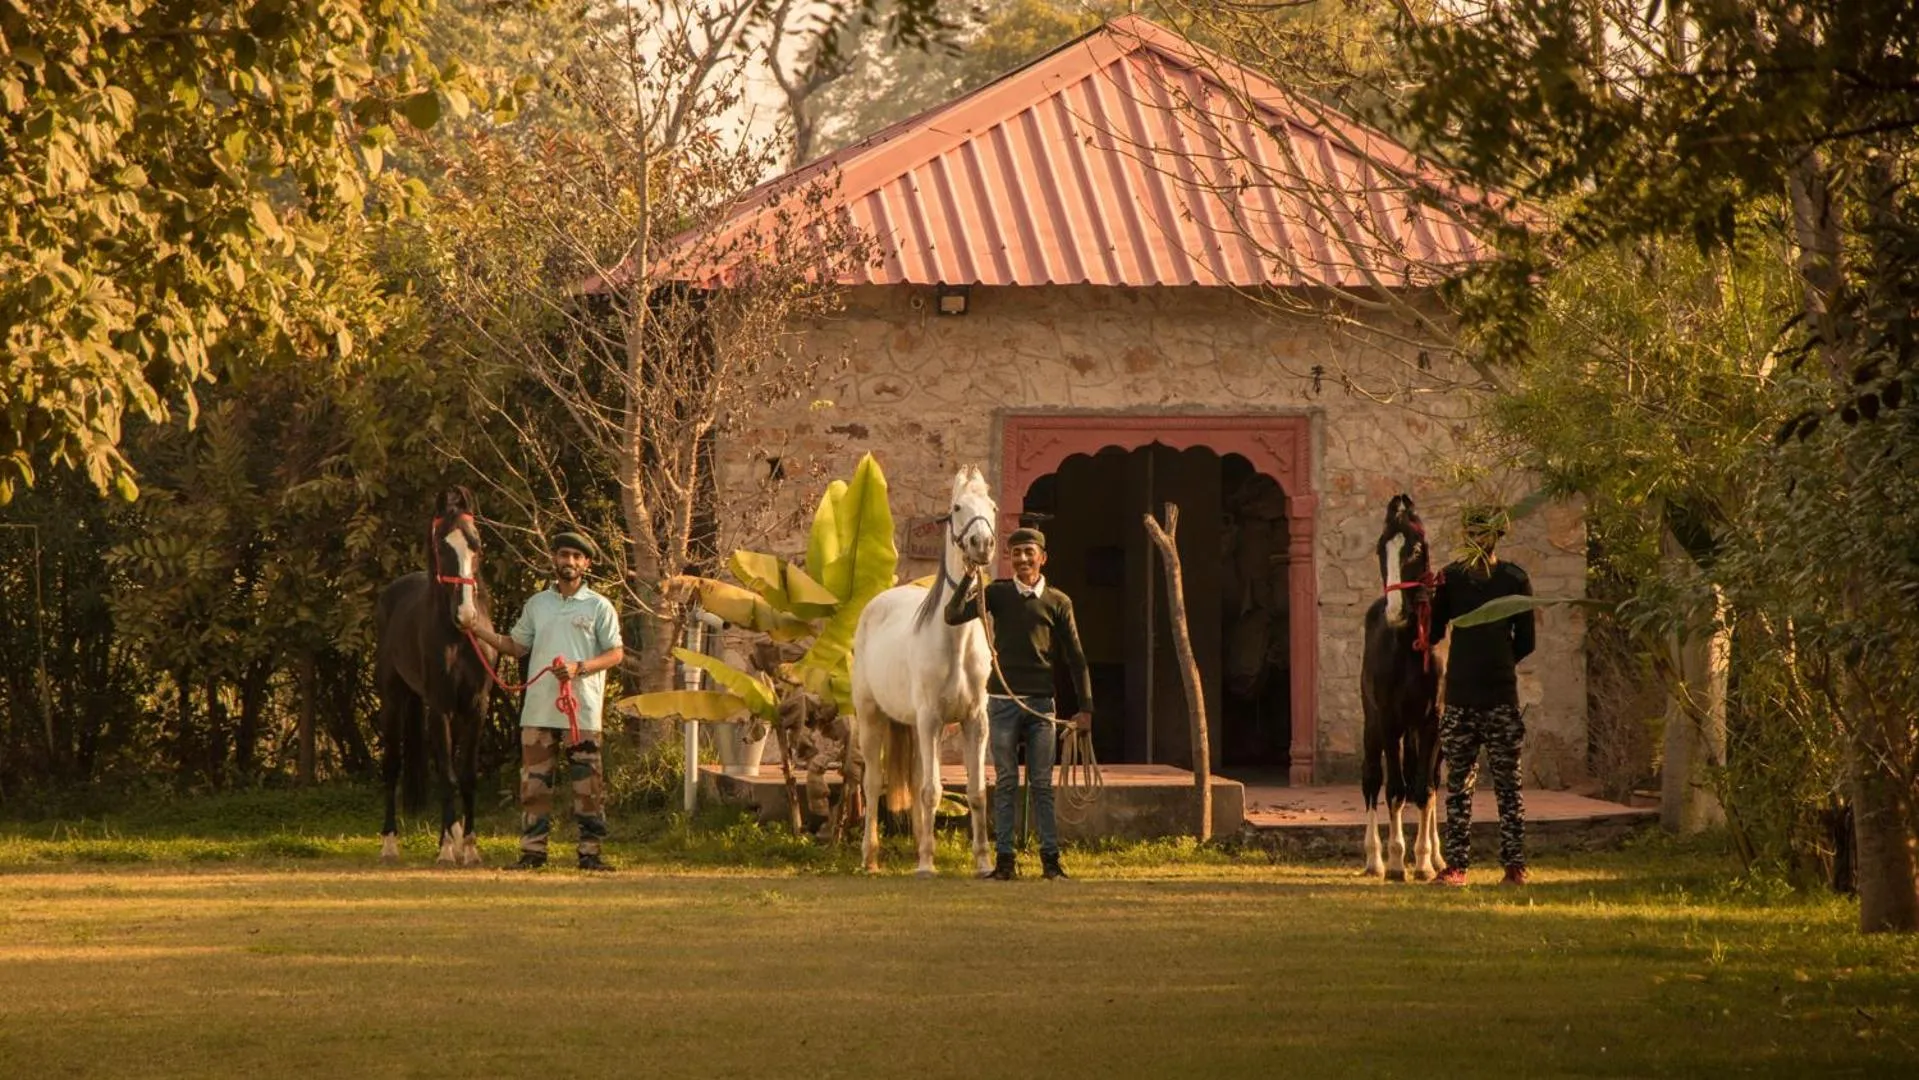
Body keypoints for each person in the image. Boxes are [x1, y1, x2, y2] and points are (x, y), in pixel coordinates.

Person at [464, 529, 625, 872]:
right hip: (538, 711)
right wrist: (477, 630)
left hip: (581, 713)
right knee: (534, 786)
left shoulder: (599, 606)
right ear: (554, 558)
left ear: (586, 563)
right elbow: (516, 645)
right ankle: (532, 853)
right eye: (564, 554)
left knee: (588, 787)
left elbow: (615, 653)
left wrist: (579, 667)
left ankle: (590, 854)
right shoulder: (538, 604)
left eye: (576, 556)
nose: (569, 561)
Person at [944, 526, 1094, 881]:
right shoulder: (996, 594)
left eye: (1029, 552)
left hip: (1041, 706)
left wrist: (1085, 708)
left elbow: (1075, 658)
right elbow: (953, 614)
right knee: (1007, 781)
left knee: (1041, 784)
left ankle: (1051, 862)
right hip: (1002, 703)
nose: (1023, 558)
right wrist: (969, 577)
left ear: (1043, 558)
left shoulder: (1058, 601)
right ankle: (1005, 861)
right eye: (1016, 553)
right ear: (1008, 558)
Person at [1429, 505, 1536, 887]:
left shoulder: (1514, 579)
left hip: (1500, 698)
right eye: (1472, 533)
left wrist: (1497, 661)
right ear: (1465, 535)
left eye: (1484, 533)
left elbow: (1526, 640)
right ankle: (1456, 866)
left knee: (1509, 787)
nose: (1478, 539)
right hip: (1460, 698)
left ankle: (1514, 865)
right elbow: (1434, 632)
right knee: (1458, 787)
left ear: (1496, 536)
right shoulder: (1451, 579)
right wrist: (1427, 599)